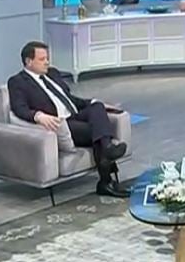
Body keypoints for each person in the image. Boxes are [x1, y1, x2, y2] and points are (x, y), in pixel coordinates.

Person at [7, 41, 131, 198]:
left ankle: (106, 151)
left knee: (97, 107)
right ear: (28, 61)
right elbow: (19, 108)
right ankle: (106, 177)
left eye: (47, 58)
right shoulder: (17, 81)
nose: (47, 62)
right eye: (42, 59)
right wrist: (38, 116)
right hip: (61, 123)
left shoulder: (52, 74)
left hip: (73, 115)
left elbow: (69, 99)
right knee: (98, 132)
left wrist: (92, 102)